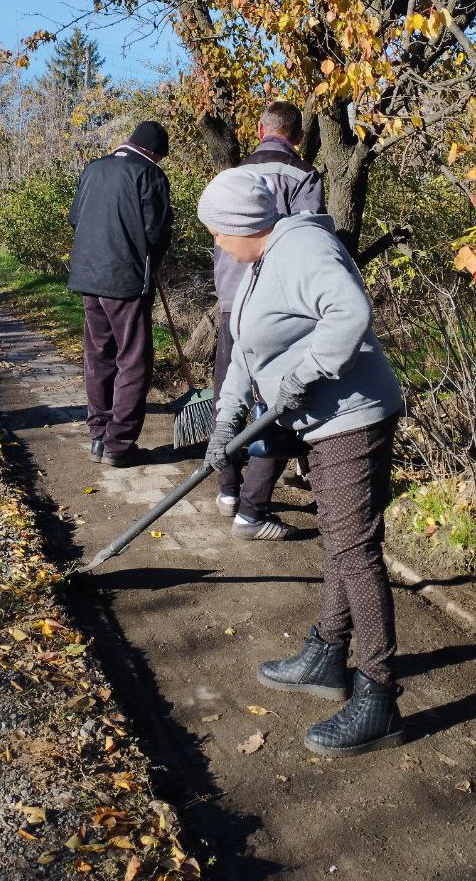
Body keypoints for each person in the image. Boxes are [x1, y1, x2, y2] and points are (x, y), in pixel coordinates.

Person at [197, 168, 406, 756]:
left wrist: (302, 374)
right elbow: (244, 346)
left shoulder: (303, 248)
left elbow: (350, 312)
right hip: (325, 420)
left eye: (217, 231)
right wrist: (226, 420)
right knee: (344, 540)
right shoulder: (262, 260)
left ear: (242, 225)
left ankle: (379, 696)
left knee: (355, 550)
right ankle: (325, 653)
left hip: (352, 418)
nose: (216, 242)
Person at [212, 101, 325, 540]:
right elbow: (309, 237)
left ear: (260, 129)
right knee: (276, 399)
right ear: (296, 136)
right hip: (278, 303)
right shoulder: (303, 177)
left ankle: (227, 488)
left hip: (230, 299)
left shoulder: (231, 178)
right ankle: (253, 507)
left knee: (230, 389)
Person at [68, 121, 172, 466]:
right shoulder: (150, 174)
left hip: (88, 276)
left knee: (98, 355)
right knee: (133, 360)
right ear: (154, 152)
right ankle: (119, 444)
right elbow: (156, 232)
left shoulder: (93, 169)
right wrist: (154, 262)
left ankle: (99, 436)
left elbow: (75, 219)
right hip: (126, 279)